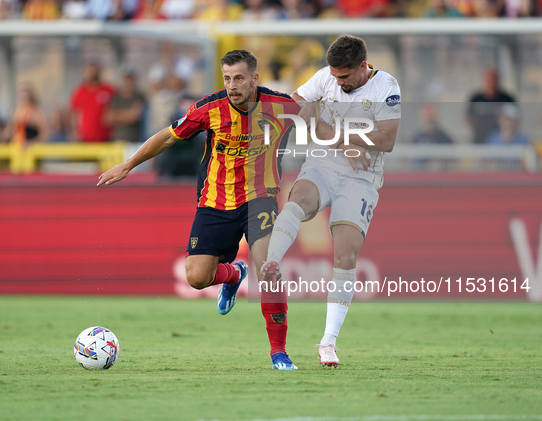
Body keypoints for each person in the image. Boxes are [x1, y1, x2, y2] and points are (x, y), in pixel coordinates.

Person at [97, 50, 300, 370]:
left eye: (239, 78)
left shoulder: (281, 106)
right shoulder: (210, 108)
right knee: (196, 277)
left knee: (270, 270)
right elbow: (167, 137)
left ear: (255, 79)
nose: (233, 86)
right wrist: (128, 165)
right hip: (215, 202)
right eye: (228, 78)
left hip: (260, 198)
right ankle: (233, 275)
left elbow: (323, 120)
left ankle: (279, 352)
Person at [261, 35, 401, 368]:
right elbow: (296, 109)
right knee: (298, 200)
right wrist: (341, 140)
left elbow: (387, 139)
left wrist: (328, 130)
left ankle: (328, 342)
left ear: (363, 67)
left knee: (346, 252)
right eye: (334, 76)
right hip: (323, 163)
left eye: (345, 77)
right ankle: (272, 262)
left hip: (362, 177)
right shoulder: (325, 76)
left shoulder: (386, 86)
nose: (337, 82)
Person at [69, 62, 116, 142]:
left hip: (105, 139)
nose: (92, 74)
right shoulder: (80, 91)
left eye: (94, 71)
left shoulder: (109, 90)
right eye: (90, 71)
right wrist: (74, 131)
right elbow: (71, 113)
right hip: (85, 139)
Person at [466, 68, 516, 144]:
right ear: (484, 80)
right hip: (480, 140)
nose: (491, 83)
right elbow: (468, 117)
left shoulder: (507, 99)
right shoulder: (476, 98)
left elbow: (515, 118)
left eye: (494, 80)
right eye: (489, 80)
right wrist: (480, 127)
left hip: (502, 142)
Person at [104, 69, 147, 142]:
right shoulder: (116, 98)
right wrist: (128, 113)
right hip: (118, 140)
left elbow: (135, 116)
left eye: (130, 78)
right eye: (126, 78)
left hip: (135, 140)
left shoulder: (140, 97)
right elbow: (107, 118)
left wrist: (117, 114)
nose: (128, 81)